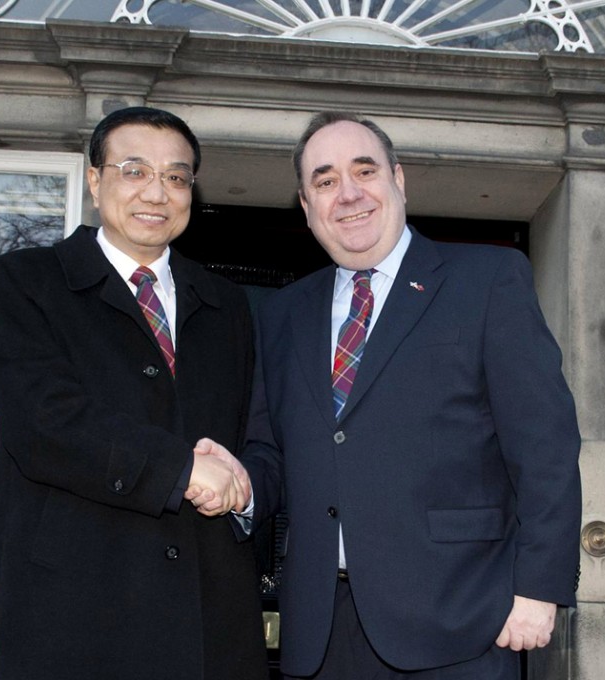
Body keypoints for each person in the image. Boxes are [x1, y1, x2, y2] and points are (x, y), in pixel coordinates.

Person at [198, 111, 582, 679]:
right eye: (325, 181)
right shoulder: (282, 314)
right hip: (321, 632)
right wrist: (240, 483)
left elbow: (545, 446)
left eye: (364, 171)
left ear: (398, 180)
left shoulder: (487, 279)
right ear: (306, 205)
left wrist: (539, 588)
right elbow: (274, 451)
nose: (348, 194)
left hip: (462, 624)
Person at [0, 107, 268, 680]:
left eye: (176, 176)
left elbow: (254, 433)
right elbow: (44, 423)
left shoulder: (226, 303)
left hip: (209, 618)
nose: (156, 193)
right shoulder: (25, 281)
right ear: (95, 181)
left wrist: (244, 487)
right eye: (134, 170)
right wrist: (180, 470)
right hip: (74, 615)